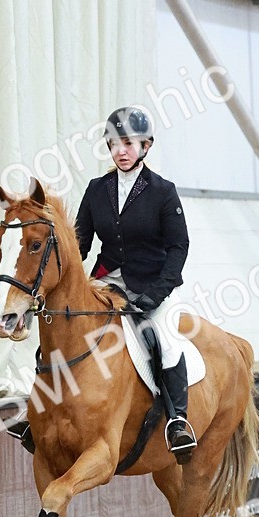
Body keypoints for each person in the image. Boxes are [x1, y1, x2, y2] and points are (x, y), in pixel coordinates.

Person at [75, 106, 197, 459]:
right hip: (107, 279)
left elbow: (179, 246)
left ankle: (178, 421)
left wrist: (157, 292)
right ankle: (38, 409)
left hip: (151, 285)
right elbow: (80, 244)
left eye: (128, 143)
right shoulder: (97, 189)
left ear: (146, 145)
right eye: (114, 144)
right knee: (68, 326)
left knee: (165, 340)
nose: (121, 151)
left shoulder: (162, 191)